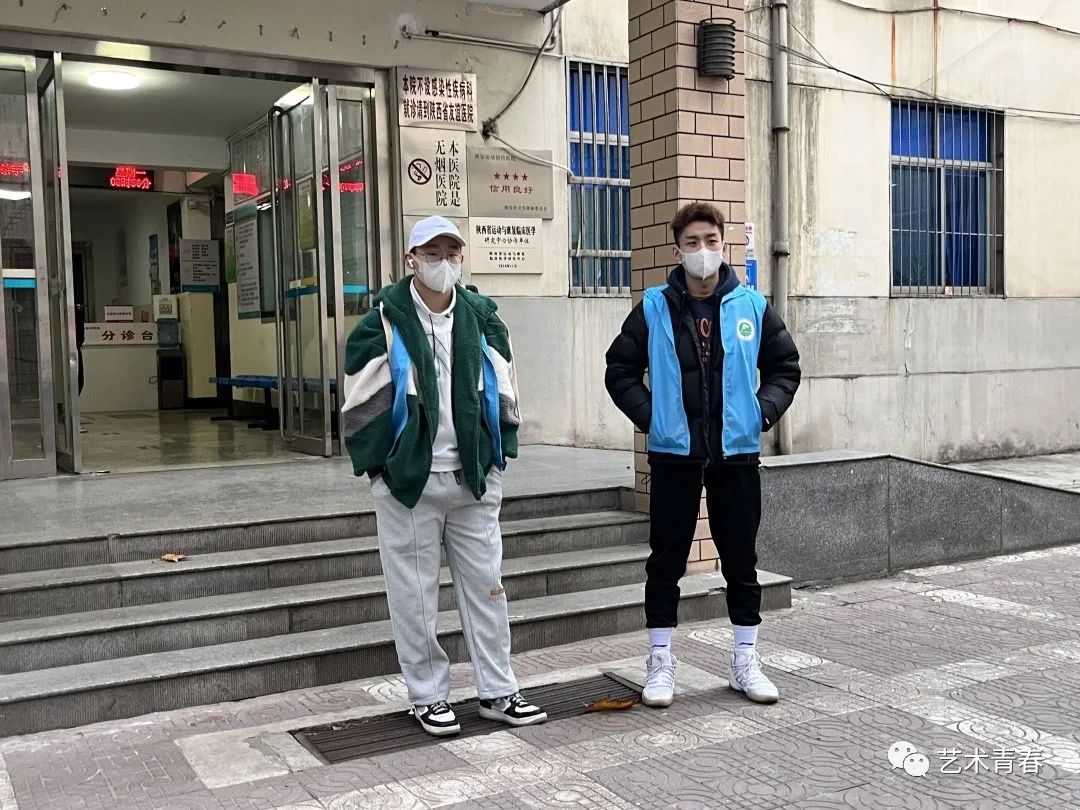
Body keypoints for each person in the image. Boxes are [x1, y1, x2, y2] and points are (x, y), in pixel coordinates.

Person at [341, 216, 547, 736]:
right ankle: (428, 696)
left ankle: (498, 689)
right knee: (413, 597)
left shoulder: (481, 316)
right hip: (409, 484)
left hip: (472, 477)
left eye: (451, 253)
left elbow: (506, 384)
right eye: (431, 253)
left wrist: (499, 455)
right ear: (411, 259)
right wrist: (382, 469)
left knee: (488, 590)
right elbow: (360, 401)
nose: (443, 262)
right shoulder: (382, 322)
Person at [605, 202, 801, 708]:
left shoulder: (751, 306)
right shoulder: (654, 307)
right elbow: (619, 370)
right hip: (674, 456)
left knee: (741, 560)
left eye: (711, 241)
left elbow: (785, 366)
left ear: (723, 245)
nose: (702, 251)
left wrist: (760, 414)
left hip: (736, 455)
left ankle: (745, 659)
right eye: (692, 242)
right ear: (678, 250)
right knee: (665, 561)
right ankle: (660, 661)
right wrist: (654, 418)